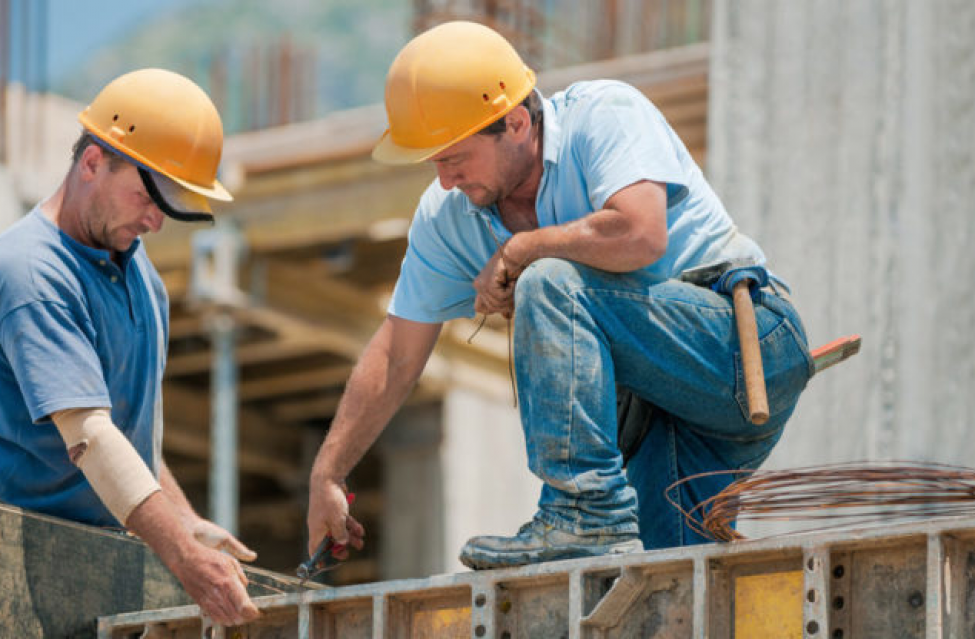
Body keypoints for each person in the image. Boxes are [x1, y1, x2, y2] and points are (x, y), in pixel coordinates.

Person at [305, 21, 814, 570]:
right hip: (663, 419)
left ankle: (584, 513)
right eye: (435, 163)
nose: (446, 180)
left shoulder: (603, 115)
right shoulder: (447, 216)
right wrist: (328, 472)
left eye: (454, 158)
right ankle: (596, 521)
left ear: (516, 123)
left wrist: (525, 247)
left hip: (744, 348)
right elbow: (397, 353)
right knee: (665, 583)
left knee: (548, 281)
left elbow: (641, 233)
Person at [0, 69, 260, 625]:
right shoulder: (30, 273)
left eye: (168, 204)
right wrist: (184, 559)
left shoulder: (142, 280)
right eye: (147, 196)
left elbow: (122, 435)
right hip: (11, 565)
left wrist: (185, 522)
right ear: (93, 162)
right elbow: (90, 436)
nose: (156, 221)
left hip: (95, 563)